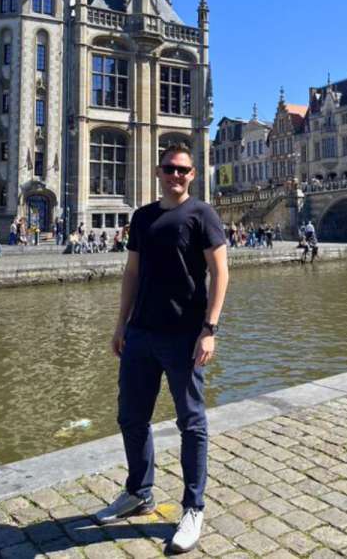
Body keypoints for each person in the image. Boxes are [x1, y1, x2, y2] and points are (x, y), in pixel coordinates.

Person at [95, 143, 228, 555]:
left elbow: (220, 272)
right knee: (131, 417)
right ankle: (139, 490)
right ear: (158, 171)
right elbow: (131, 272)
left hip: (184, 335)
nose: (176, 175)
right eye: (169, 168)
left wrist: (209, 328)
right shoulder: (142, 217)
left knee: (191, 422)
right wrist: (121, 323)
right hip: (140, 333)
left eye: (183, 170)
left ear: (192, 175)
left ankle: (193, 507)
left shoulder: (202, 214)